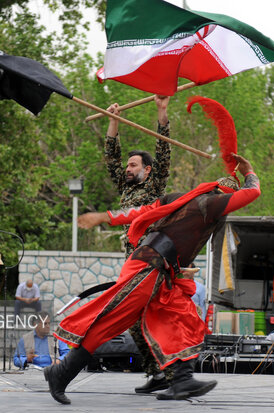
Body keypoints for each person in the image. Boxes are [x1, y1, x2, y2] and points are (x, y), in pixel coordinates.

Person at [44, 153, 260, 404]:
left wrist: (105, 217)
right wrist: (249, 173)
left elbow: (140, 212)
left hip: (162, 269)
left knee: (180, 316)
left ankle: (181, 380)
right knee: (112, 318)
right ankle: (61, 372)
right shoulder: (210, 204)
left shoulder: (180, 199)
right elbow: (252, 193)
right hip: (148, 265)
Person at [105, 95, 173, 394]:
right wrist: (113, 121)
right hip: (132, 262)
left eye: (133, 165)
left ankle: (174, 371)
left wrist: (161, 112)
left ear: (147, 170)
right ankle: (158, 373)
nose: (128, 168)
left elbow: (164, 151)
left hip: (150, 259)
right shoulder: (125, 186)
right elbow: (110, 158)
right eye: (128, 165)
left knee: (152, 317)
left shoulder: (154, 185)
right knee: (134, 320)